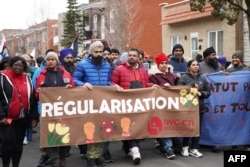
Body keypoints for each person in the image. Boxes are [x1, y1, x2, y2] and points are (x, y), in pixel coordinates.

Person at [111, 48, 157, 165]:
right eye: (130, 55)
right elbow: (112, 83)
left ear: (138, 58)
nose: (131, 57)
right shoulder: (119, 69)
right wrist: (115, 86)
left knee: (135, 126)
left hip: (139, 103)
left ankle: (131, 147)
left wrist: (153, 86)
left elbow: (146, 84)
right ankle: (135, 150)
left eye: (134, 56)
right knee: (128, 126)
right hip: (124, 103)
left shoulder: (142, 70)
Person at [73, 41, 113, 167]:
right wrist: (83, 84)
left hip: (103, 101)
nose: (99, 54)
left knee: (101, 129)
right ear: (91, 52)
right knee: (91, 129)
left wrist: (114, 86)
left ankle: (97, 156)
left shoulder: (107, 65)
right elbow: (75, 79)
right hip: (89, 101)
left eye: (101, 52)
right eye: (96, 52)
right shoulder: (82, 64)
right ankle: (91, 157)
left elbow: (108, 82)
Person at [35, 50, 74, 167]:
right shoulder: (41, 75)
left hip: (63, 110)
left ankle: (63, 156)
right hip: (48, 112)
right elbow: (36, 96)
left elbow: (74, 90)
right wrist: (38, 93)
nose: (50, 62)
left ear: (57, 61)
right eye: (48, 59)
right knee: (50, 135)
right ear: (45, 61)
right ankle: (54, 159)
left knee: (64, 133)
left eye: (53, 59)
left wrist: (70, 88)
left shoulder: (65, 74)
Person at [0, 56, 38, 167]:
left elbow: (32, 99)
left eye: (21, 65)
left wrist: (34, 117)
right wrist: (1, 116)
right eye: (16, 65)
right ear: (11, 66)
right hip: (7, 118)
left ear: (24, 67)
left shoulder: (27, 79)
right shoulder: (2, 78)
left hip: (22, 118)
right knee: (8, 144)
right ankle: (6, 165)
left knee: (18, 145)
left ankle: (16, 165)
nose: (18, 67)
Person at [149, 53, 180, 159]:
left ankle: (165, 145)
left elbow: (176, 87)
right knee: (164, 125)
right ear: (157, 64)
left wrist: (177, 79)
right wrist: (163, 87)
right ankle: (168, 148)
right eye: (161, 63)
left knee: (171, 124)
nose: (164, 65)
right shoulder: (153, 76)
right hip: (160, 105)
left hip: (171, 104)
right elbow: (153, 88)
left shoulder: (171, 75)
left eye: (166, 63)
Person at [177, 59, 211, 158]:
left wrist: (201, 93)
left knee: (197, 129)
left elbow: (208, 91)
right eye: (193, 65)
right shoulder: (184, 78)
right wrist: (191, 89)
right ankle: (185, 147)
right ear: (189, 67)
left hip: (199, 108)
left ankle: (194, 148)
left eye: (197, 65)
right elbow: (179, 91)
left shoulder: (202, 78)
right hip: (188, 107)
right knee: (188, 127)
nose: (196, 66)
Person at [20, 54, 38, 145]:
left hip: (30, 96)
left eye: (28, 61)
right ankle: (24, 136)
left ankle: (28, 136)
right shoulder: (19, 71)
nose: (26, 63)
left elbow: (34, 82)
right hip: (22, 97)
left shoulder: (33, 70)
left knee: (29, 117)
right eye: (24, 61)